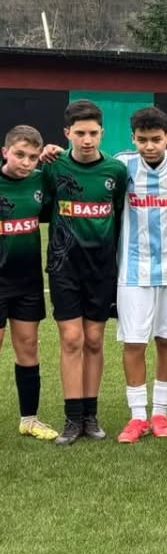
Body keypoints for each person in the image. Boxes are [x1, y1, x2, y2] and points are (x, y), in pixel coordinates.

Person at [111, 107, 167, 443]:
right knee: (134, 342)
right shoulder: (121, 164)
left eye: (156, 139)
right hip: (133, 270)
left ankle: (160, 413)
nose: (149, 146)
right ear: (133, 139)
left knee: (166, 340)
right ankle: (137, 417)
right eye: (142, 140)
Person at [43, 100, 128, 446]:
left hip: (102, 267)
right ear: (67, 133)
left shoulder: (116, 171)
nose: (87, 139)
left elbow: (120, 214)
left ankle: (90, 416)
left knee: (94, 340)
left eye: (93, 132)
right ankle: (72, 418)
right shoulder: (53, 167)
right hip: (63, 266)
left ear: (102, 133)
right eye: (80, 133)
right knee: (71, 339)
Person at [0, 124, 56, 439]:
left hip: (27, 282)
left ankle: (30, 420)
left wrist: (56, 154)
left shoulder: (39, 181)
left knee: (28, 347)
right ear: (5, 152)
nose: (25, 162)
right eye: (19, 154)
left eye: (33, 157)